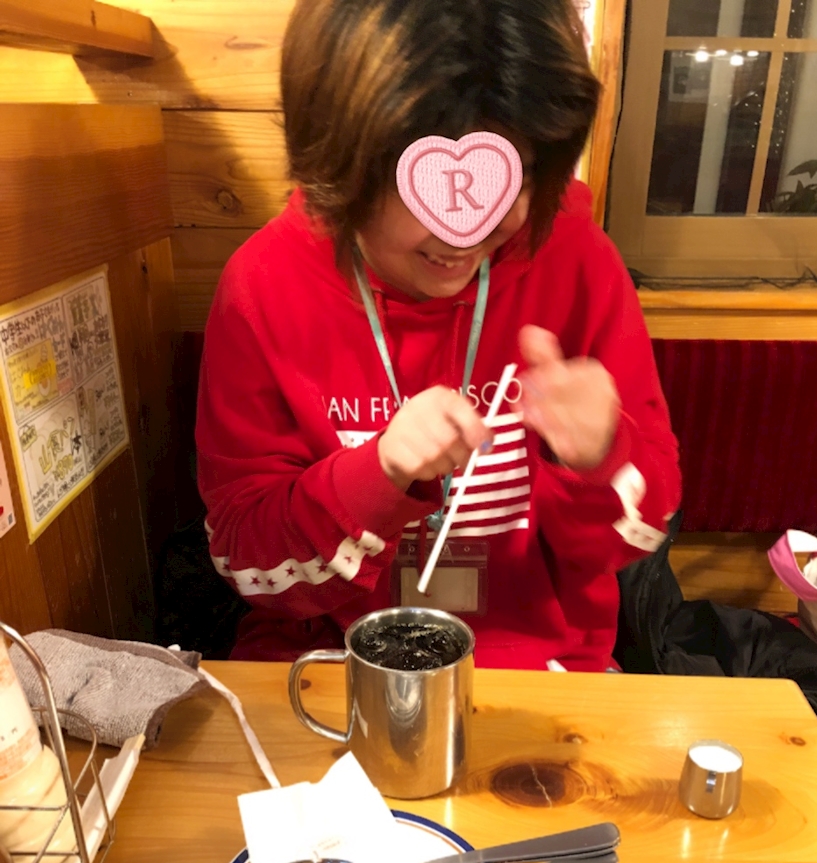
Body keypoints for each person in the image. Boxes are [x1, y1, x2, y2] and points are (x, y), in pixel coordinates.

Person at [195, 0, 681, 671]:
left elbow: (641, 531)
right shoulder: (263, 285)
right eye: (424, 183)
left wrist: (599, 459)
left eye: (509, 176)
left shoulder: (578, 263)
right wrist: (378, 474)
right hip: (325, 666)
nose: (467, 231)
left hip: (543, 673)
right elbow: (244, 560)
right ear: (340, 162)